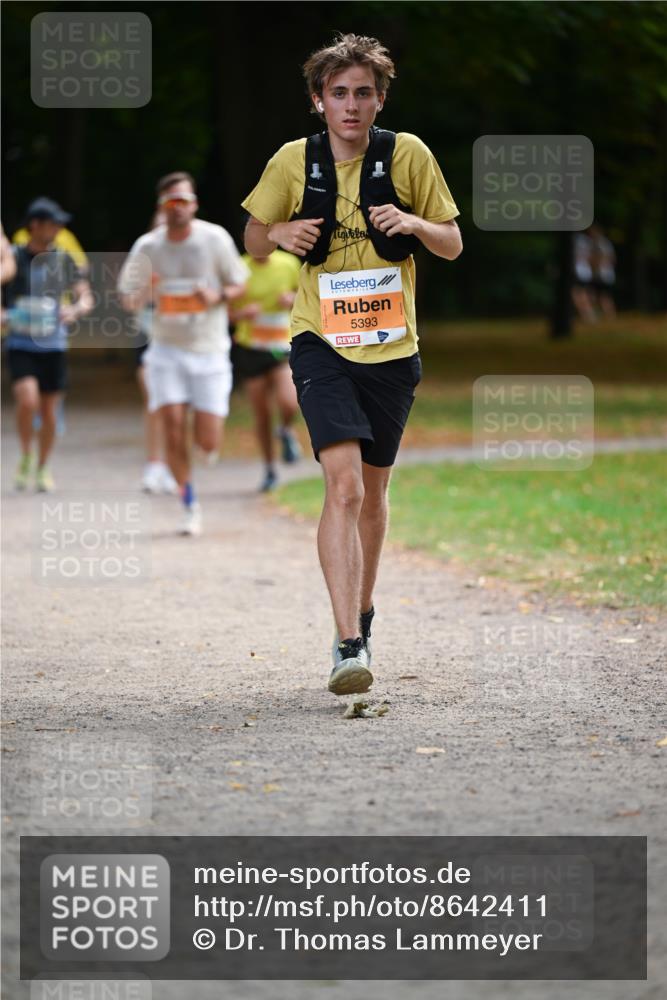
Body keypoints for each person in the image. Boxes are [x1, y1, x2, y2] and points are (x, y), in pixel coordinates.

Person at [242, 33, 461, 695]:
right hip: (320, 345)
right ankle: (345, 645)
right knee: (344, 488)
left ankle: (362, 615)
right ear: (318, 100)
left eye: (362, 92)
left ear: (379, 99)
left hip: (393, 352)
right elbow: (252, 237)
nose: (350, 104)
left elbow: (450, 243)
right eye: (338, 93)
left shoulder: (407, 155)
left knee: (373, 496)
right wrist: (278, 233)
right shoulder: (292, 161)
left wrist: (416, 225)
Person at [118, 172, 248, 535]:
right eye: (170, 202)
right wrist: (143, 294)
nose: (177, 208)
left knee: (207, 441)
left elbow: (239, 283)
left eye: (183, 201)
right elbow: (127, 297)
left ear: (194, 204)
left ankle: (205, 450)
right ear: (162, 206)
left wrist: (217, 296)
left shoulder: (214, 239)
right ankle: (188, 502)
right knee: (173, 426)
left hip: (209, 351)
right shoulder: (148, 246)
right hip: (165, 350)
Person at [3, 198, 93, 491]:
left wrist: (76, 309)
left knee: (50, 414)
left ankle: (42, 466)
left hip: (53, 345)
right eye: (52, 223)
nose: (58, 228)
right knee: (27, 401)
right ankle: (27, 454)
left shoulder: (64, 259)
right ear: (34, 225)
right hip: (20, 343)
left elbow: (85, 296)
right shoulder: (12, 258)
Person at [229, 248, 302, 492]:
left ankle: (285, 429)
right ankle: (270, 469)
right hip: (251, 346)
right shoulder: (237, 267)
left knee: (289, 402)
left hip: (282, 344)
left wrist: (293, 299)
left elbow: (309, 296)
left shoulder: (289, 263)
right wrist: (242, 314)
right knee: (261, 414)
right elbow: (224, 311)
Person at [133, 208, 178, 495]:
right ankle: (154, 464)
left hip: (183, 340)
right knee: (153, 401)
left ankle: (174, 466)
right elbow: (129, 299)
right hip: (150, 338)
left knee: (176, 407)